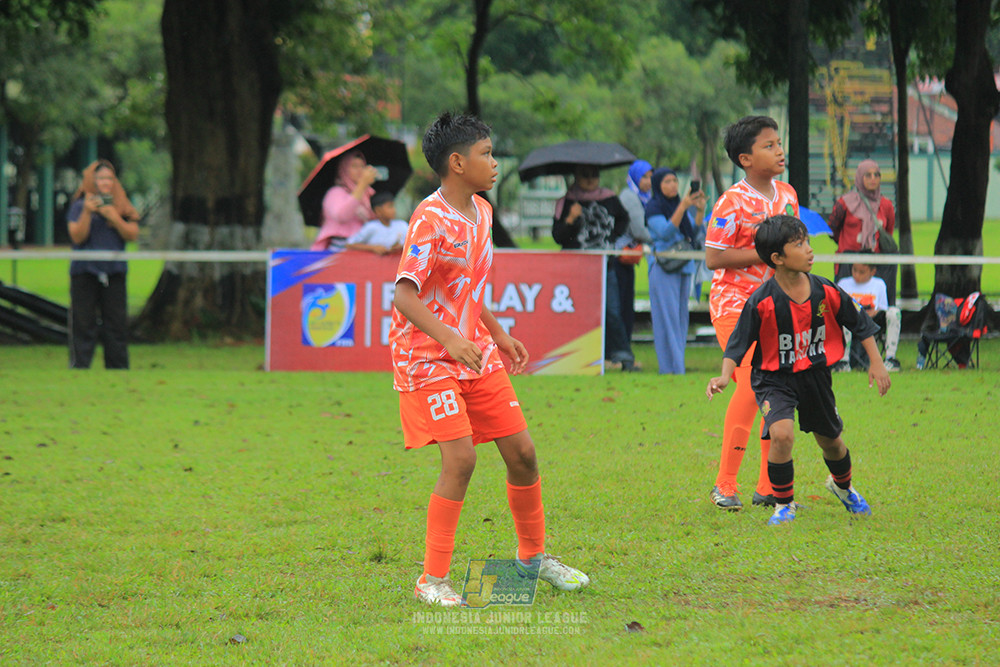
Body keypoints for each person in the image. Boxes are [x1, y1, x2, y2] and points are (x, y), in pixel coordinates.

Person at [391, 112, 589, 607]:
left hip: (473, 349)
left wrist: (497, 333)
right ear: (457, 163)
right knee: (461, 459)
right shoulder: (430, 218)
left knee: (522, 453)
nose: (495, 163)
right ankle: (431, 581)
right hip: (427, 357)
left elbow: (467, 289)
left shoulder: (480, 213)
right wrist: (451, 340)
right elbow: (404, 295)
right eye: (486, 154)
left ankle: (533, 558)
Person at [706, 215, 891, 525]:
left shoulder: (824, 290)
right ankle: (783, 504)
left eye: (807, 242)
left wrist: (877, 362)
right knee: (781, 435)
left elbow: (859, 322)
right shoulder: (762, 301)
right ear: (777, 258)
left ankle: (843, 488)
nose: (809, 250)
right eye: (799, 244)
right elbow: (737, 344)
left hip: (815, 376)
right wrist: (725, 376)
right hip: (774, 378)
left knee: (831, 442)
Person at [704, 115, 800, 510]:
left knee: (776, 389)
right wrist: (764, 253)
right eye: (768, 145)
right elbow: (713, 257)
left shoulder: (788, 195)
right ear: (745, 158)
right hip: (734, 306)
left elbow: (793, 253)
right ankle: (725, 484)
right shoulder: (731, 201)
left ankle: (769, 486)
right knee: (748, 384)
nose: (779, 151)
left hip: (776, 307)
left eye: (779, 143)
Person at [551, 164, 637, 371]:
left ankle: (623, 357)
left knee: (612, 311)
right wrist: (570, 219)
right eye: (585, 175)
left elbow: (624, 220)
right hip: (575, 268)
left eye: (594, 175)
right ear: (576, 176)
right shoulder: (566, 202)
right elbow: (557, 235)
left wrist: (611, 239)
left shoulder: (609, 199)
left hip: (604, 265)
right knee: (576, 312)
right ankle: (574, 355)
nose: (590, 179)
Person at [66, 159, 140, 370]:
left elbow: (132, 234)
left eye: (109, 178)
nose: (105, 183)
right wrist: (88, 212)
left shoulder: (121, 204)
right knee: (83, 323)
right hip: (84, 272)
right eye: (100, 178)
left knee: (115, 323)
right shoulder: (79, 206)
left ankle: (117, 367)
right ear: (92, 181)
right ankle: (80, 366)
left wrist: (114, 218)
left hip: (114, 272)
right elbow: (76, 237)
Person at [644, 167, 706, 374]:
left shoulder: (679, 205)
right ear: (658, 186)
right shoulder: (653, 207)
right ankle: (671, 368)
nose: (672, 185)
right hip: (664, 268)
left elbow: (693, 233)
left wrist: (699, 210)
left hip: (683, 266)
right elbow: (664, 232)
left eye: (674, 181)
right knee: (667, 319)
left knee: (680, 318)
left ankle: (677, 365)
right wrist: (683, 206)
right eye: (667, 182)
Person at [828, 159, 897, 305]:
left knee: (874, 307)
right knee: (844, 306)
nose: (873, 179)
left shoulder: (886, 205)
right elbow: (832, 229)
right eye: (868, 175)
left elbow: (888, 231)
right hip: (848, 261)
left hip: (874, 262)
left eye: (876, 175)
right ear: (860, 177)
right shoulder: (844, 203)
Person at [833, 259, 902, 372]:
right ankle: (843, 361)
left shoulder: (878, 284)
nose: (857, 275)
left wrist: (876, 312)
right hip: (850, 320)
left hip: (872, 320)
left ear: (872, 271)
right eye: (854, 270)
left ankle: (890, 358)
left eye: (862, 272)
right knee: (843, 314)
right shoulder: (843, 283)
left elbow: (883, 308)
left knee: (894, 312)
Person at [310, 149, 379, 250]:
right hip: (339, 250)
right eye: (354, 166)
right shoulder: (335, 193)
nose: (360, 170)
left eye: (362, 166)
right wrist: (362, 184)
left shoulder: (368, 194)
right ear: (344, 169)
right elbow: (342, 216)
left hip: (362, 248)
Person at [617, 160, 654, 342]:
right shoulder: (630, 197)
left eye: (650, 177)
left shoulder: (641, 197)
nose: (648, 181)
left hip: (628, 257)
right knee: (622, 304)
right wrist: (660, 238)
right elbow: (639, 230)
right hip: (620, 257)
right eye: (644, 177)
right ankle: (622, 347)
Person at [343, 192, 409, 255]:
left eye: (393, 206)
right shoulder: (371, 227)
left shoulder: (402, 225)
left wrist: (401, 247)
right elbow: (349, 244)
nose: (394, 210)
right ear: (378, 211)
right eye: (390, 206)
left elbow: (413, 243)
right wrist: (373, 248)